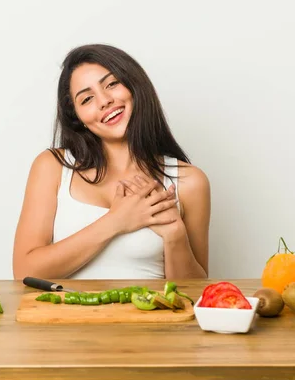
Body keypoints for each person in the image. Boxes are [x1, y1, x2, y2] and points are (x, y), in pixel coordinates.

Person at [12, 44, 210, 280]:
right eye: (86, 99)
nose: (104, 101)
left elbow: (196, 294)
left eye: (112, 84)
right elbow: (24, 272)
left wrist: (175, 234)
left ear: (135, 86)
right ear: (78, 118)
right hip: (66, 317)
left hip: (151, 318)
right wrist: (116, 221)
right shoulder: (53, 167)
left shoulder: (189, 181)